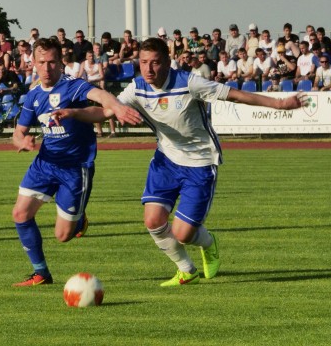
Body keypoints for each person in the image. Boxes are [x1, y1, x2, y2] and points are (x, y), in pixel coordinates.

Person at [53, 37, 303, 286]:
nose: (148, 69)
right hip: (166, 159)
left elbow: (235, 95)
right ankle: (186, 269)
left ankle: (208, 242)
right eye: (143, 62)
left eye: (155, 63)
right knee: (152, 220)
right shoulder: (137, 88)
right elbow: (106, 111)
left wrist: (280, 103)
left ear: (168, 62)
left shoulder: (189, 83)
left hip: (201, 162)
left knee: (183, 234)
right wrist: (72, 113)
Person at [11, 37, 141, 286]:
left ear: (61, 63)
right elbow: (19, 132)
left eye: (52, 62)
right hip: (45, 163)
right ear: (33, 64)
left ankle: (79, 219)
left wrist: (118, 107)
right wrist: (22, 142)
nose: (47, 68)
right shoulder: (33, 95)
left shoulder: (73, 86)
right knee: (19, 214)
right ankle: (41, 273)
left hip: (74, 168)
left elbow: (101, 97)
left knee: (62, 236)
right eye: (41, 62)